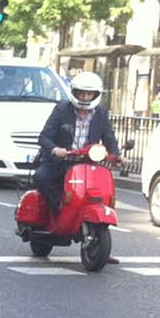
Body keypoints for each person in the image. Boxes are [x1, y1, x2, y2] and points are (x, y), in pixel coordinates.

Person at [36, 70, 119, 216]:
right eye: (81, 93)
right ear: (74, 93)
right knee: (41, 177)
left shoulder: (101, 113)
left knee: (100, 187)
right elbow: (44, 137)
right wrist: (56, 149)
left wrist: (117, 156)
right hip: (60, 162)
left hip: (87, 164)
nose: (85, 97)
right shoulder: (62, 109)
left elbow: (109, 138)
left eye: (89, 94)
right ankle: (59, 209)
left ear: (96, 95)